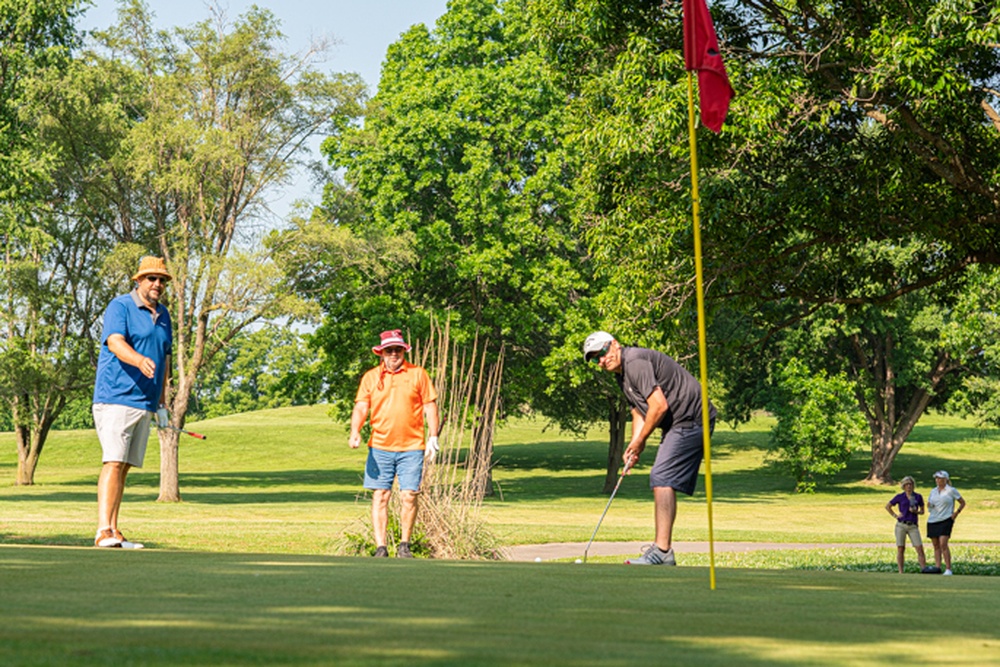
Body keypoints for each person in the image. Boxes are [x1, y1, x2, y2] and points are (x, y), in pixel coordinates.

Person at [583, 331, 716, 566]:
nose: (602, 360)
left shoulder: (634, 362)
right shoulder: (622, 377)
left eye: (602, 352)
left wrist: (640, 441)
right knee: (661, 477)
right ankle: (662, 552)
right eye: (595, 359)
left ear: (615, 344)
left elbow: (659, 406)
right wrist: (634, 446)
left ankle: (663, 552)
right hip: (679, 422)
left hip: (692, 417)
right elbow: (639, 411)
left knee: (662, 477)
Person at [92, 256, 173, 549]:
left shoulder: (164, 316)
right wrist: (139, 360)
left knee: (124, 465)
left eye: (162, 280)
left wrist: (162, 404)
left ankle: (114, 529)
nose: (157, 284)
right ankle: (103, 530)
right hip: (116, 397)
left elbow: (164, 360)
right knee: (113, 461)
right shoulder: (121, 306)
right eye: (152, 278)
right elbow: (115, 342)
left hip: (145, 402)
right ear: (138, 281)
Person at [349, 330, 440, 558]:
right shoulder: (371, 377)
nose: (393, 354)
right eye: (388, 350)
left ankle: (404, 545)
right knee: (381, 495)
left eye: (397, 350)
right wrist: (355, 431)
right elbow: (361, 407)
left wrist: (433, 437)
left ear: (403, 351)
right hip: (380, 446)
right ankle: (381, 547)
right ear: (381, 352)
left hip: (412, 446)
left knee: (409, 495)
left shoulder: (418, 374)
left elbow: (430, 406)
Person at [926, 470, 966, 576]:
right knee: (936, 545)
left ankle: (948, 569)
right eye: (936, 478)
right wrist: (929, 505)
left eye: (940, 478)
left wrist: (956, 513)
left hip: (946, 519)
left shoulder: (951, 490)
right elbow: (930, 504)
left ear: (945, 479)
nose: (937, 480)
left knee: (943, 543)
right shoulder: (933, 491)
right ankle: (938, 567)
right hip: (933, 519)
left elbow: (962, 502)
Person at [885, 475, 927, 573]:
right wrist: (895, 515)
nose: (908, 486)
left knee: (919, 547)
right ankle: (901, 571)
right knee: (900, 548)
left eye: (910, 484)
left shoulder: (917, 497)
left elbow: (922, 511)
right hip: (901, 525)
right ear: (903, 486)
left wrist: (916, 512)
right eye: (906, 484)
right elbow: (888, 506)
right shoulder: (900, 497)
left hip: (913, 525)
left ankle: (923, 569)